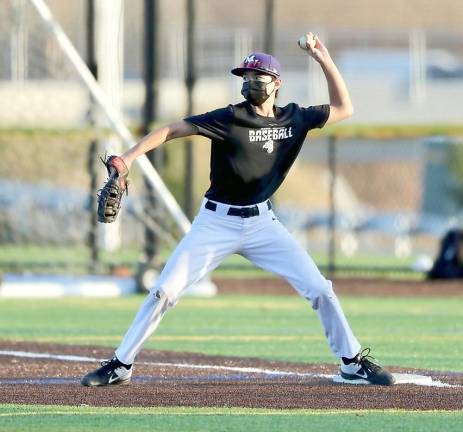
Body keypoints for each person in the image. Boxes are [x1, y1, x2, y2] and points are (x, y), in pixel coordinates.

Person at [81, 33, 394, 386]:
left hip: (263, 224)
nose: (249, 82)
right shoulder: (229, 118)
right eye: (244, 76)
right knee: (164, 290)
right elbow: (171, 130)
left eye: (256, 76)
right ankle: (121, 365)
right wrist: (128, 158)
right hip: (215, 223)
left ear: (276, 83)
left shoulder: (294, 118)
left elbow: (344, 108)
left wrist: (324, 59)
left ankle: (351, 363)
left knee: (320, 289)